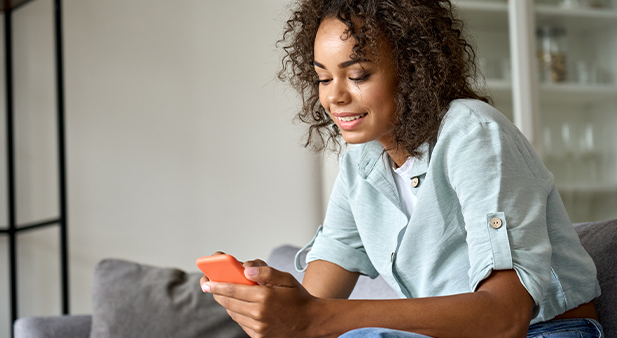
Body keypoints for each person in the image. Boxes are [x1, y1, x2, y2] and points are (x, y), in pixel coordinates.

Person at [200, 0, 604, 337]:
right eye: (323, 78)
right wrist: (275, 302)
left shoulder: (472, 131)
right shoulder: (362, 161)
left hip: (549, 331)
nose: (334, 96)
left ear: (412, 68)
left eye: (357, 74)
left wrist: (313, 318)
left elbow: (505, 316)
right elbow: (316, 300)